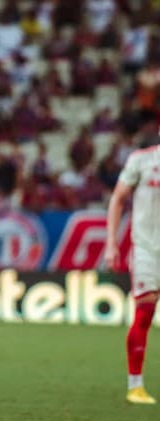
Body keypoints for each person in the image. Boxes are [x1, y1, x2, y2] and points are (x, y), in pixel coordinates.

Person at [105, 130, 160, 405]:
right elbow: (117, 198)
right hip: (148, 250)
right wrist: (111, 243)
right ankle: (135, 385)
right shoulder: (142, 160)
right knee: (145, 312)